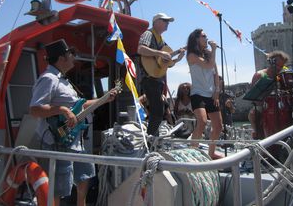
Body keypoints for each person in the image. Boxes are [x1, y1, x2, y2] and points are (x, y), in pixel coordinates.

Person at [29, 39, 118, 206]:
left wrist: (104, 99)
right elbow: (35, 109)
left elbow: (80, 106)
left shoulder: (64, 81)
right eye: (71, 54)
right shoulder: (48, 79)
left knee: (84, 177)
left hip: (76, 142)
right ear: (62, 58)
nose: (73, 58)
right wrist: (62, 110)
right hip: (58, 143)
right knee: (57, 188)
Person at [137, 12, 185, 136]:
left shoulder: (162, 41)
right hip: (149, 78)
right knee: (158, 111)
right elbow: (140, 49)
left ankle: (154, 136)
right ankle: (151, 139)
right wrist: (159, 53)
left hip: (157, 80)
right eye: (165, 21)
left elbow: (166, 63)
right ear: (157, 21)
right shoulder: (148, 34)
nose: (167, 24)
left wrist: (177, 59)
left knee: (158, 110)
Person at [186, 28, 223, 160]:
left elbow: (215, 73)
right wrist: (214, 50)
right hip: (197, 93)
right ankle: (192, 152)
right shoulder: (191, 55)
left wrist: (217, 91)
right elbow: (208, 66)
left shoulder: (209, 54)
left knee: (218, 126)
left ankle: (211, 152)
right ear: (196, 39)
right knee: (202, 121)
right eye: (203, 36)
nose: (207, 38)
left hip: (211, 94)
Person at [248, 51, 290, 139]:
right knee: (253, 113)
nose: (279, 68)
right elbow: (254, 97)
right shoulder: (259, 75)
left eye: (281, 66)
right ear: (271, 62)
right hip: (263, 106)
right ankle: (257, 134)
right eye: (278, 65)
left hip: (280, 105)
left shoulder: (280, 77)